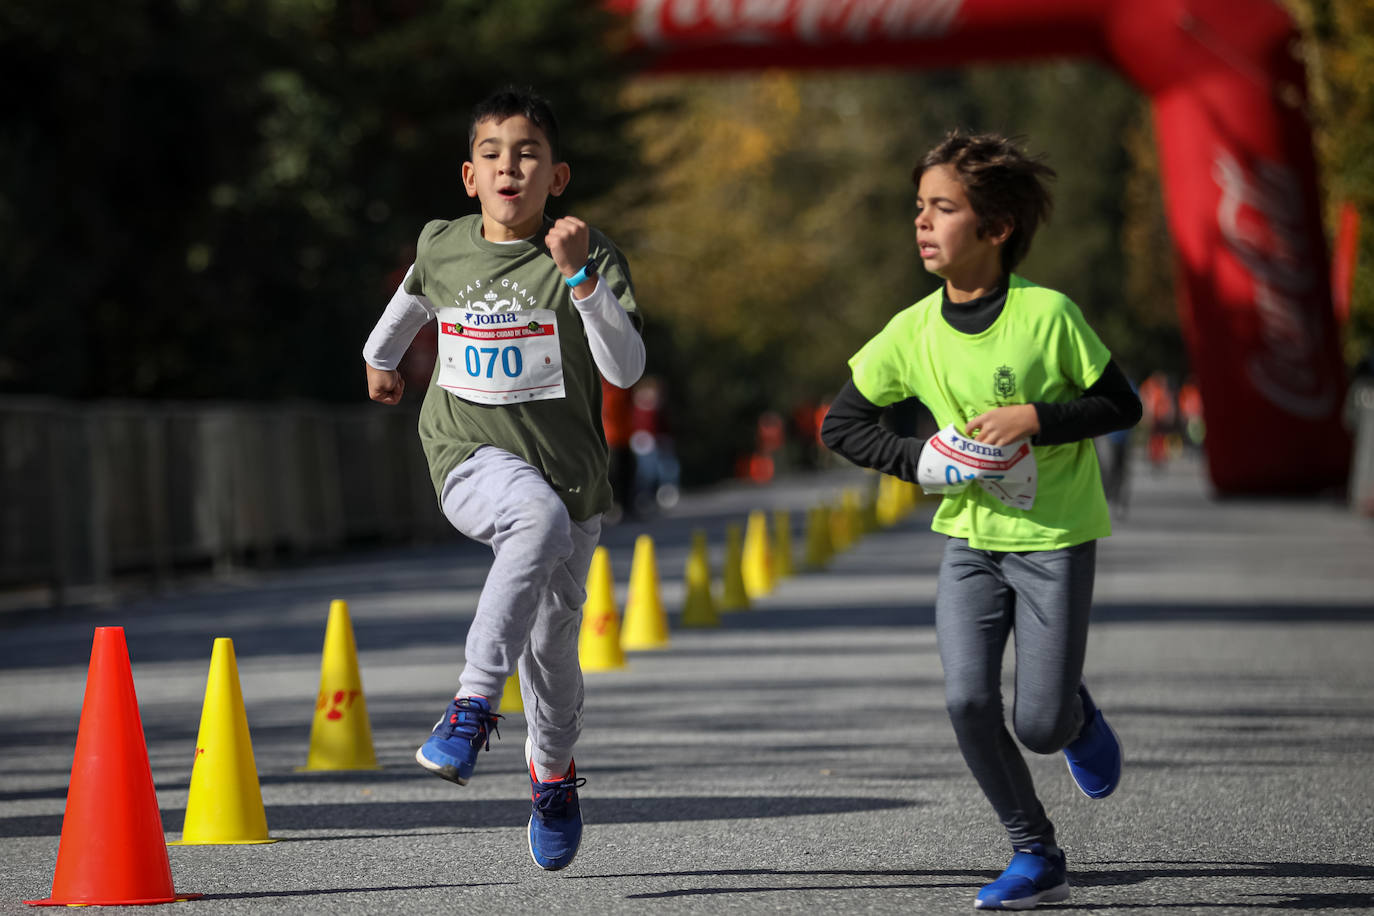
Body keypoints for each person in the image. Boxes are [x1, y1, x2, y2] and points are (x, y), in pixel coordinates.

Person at [820, 129, 1141, 910]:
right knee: (967, 700)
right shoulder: (912, 331)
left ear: (995, 229)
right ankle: (1035, 852)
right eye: (919, 208)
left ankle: (1073, 712)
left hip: (1055, 540)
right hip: (970, 543)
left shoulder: (1047, 316)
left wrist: (1037, 415)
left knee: (1038, 723)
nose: (922, 224)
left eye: (942, 209)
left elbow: (1121, 404)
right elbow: (843, 423)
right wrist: (926, 462)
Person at [361, 86, 645, 871]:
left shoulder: (588, 256)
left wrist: (581, 277)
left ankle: (551, 774)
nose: (508, 166)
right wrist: (380, 360)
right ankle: (472, 702)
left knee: (553, 653)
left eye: (527, 154)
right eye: (492, 155)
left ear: (557, 177)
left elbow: (626, 367)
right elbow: (410, 302)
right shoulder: (443, 246)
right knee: (532, 521)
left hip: (570, 475)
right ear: (469, 176)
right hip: (466, 454)